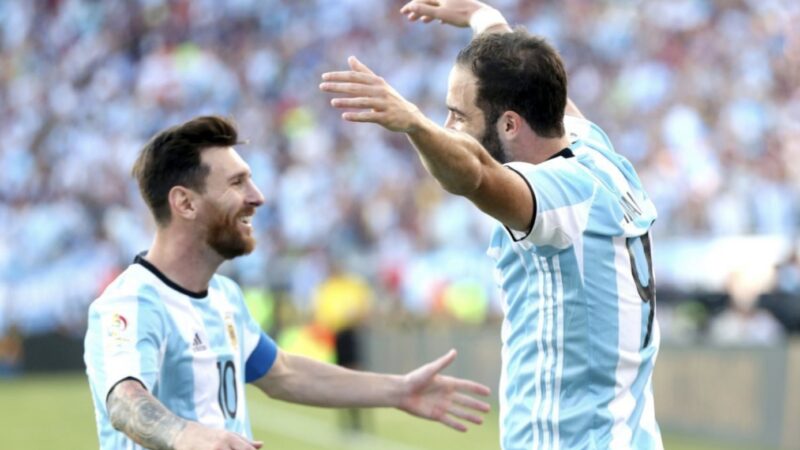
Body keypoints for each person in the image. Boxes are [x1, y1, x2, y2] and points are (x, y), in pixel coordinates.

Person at [320, 1, 662, 449]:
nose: (449, 126)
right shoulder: (595, 151)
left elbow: (475, 174)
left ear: (510, 125)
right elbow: (527, 72)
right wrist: (482, 16)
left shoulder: (561, 195)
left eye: (459, 116)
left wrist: (415, 125)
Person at [83, 115, 491, 450]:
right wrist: (184, 435)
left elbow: (283, 372)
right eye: (237, 183)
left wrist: (397, 390)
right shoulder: (132, 303)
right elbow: (124, 400)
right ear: (185, 203)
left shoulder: (225, 297)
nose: (258, 196)